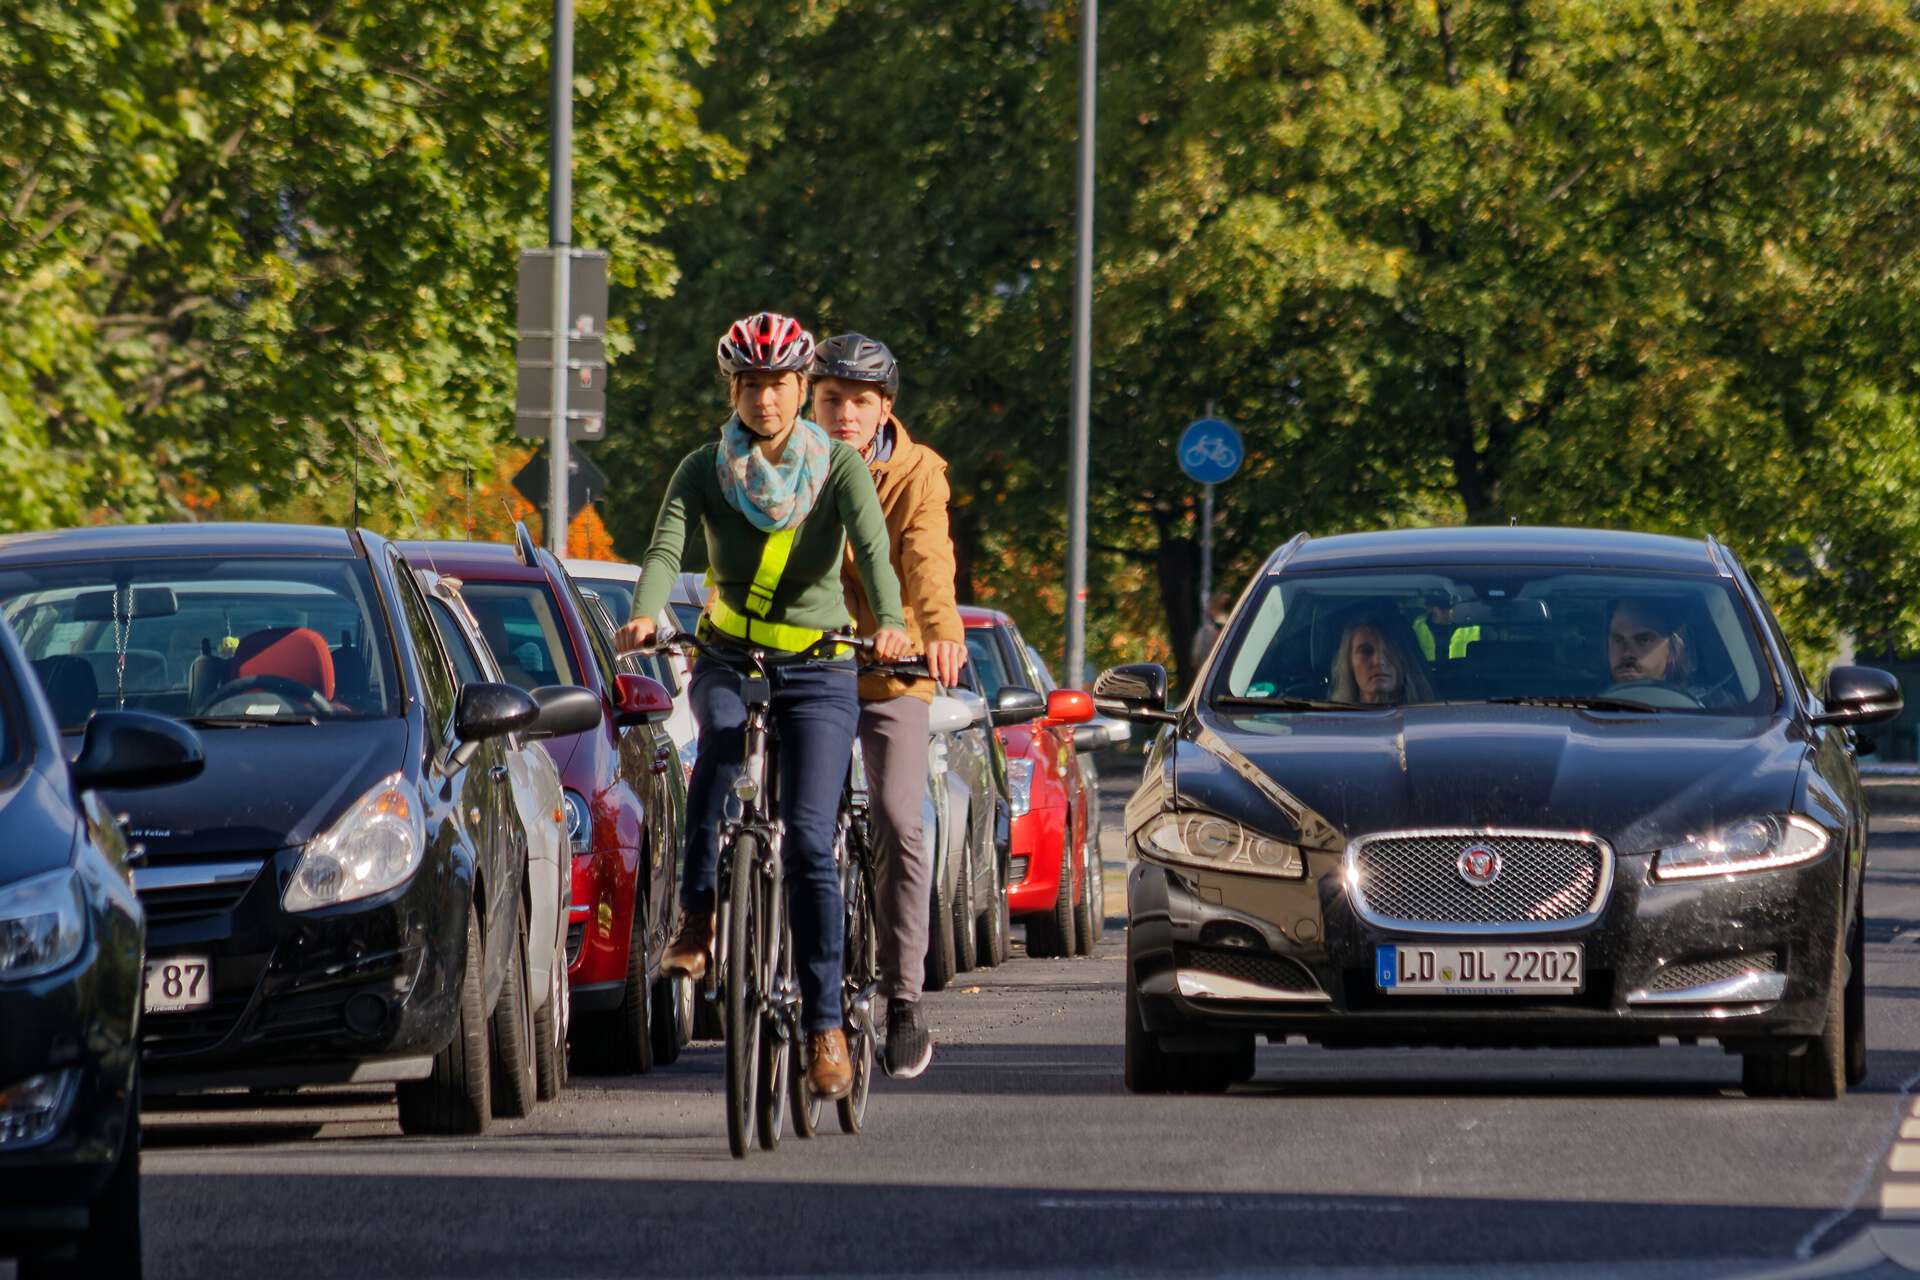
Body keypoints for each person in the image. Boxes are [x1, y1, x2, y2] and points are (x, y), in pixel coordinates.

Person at [615, 311, 911, 1101]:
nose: (765, 397)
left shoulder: (840, 468)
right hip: (728, 653)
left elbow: (876, 553)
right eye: (749, 383)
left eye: (779, 382)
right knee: (714, 737)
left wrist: (891, 624)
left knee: (813, 842)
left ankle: (824, 1028)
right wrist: (647, 611)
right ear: (734, 390)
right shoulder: (703, 469)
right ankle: (699, 914)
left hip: (818, 668)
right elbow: (665, 548)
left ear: (801, 387)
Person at [812, 332, 965, 1081]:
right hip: (803, 660)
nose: (843, 414)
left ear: (884, 409)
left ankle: (903, 997)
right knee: (780, 819)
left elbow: (927, 561)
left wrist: (937, 634)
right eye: (831, 399)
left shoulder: (915, 474)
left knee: (900, 822)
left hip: (889, 666)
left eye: (858, 402)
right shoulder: (782, 465)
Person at [1328, 612, 1435, 705]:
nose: (1379, 661)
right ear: (1349, 662)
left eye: (1390, 650)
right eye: (1366, 651)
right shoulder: (1334, 724)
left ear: (1404, 660)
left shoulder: (1431, 722)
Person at [1606, 598, 1690, 687]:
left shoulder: (1689, 700)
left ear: (1674, 650)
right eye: (1618, 640)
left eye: (1643, 640)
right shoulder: (1591, 696)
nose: (1627, 653)